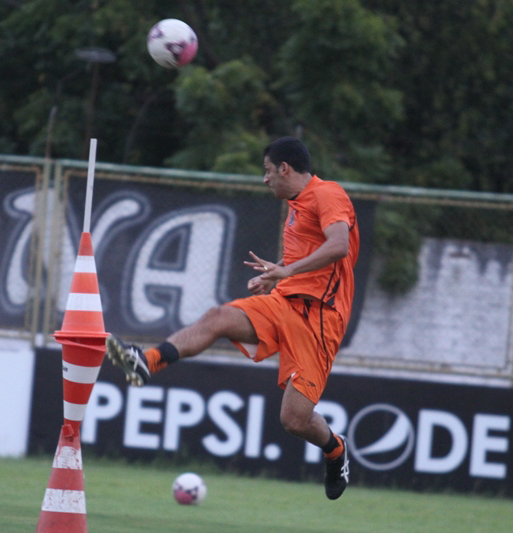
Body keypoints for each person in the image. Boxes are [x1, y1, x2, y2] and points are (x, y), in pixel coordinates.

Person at [107, 136, 360, 500]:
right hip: (285, 303)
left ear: (285, 169)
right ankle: (147, 362)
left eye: (268, 171)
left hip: (321, 321)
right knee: (219, 317)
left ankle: (335, 450)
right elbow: (311, 263)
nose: (265, 179)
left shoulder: (328, 194)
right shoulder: (295, 206)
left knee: (294, 420)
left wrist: (287, 272)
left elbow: (338, 246)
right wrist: (278, 274)